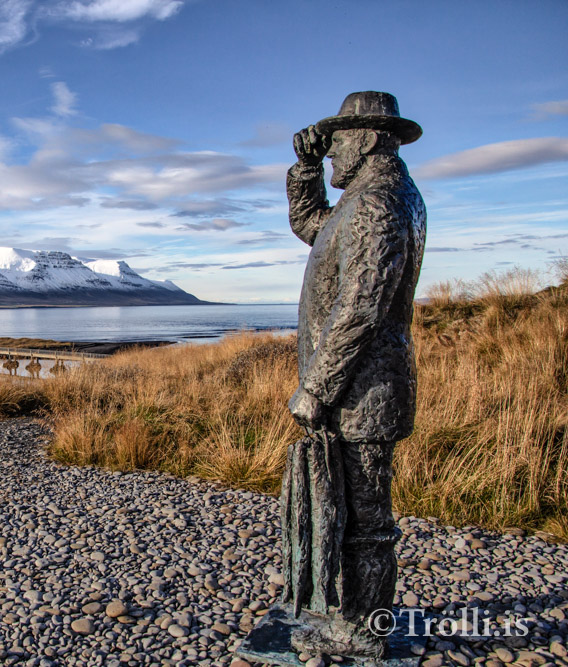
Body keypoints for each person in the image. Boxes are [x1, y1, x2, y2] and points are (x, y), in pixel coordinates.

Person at [283, 91, 426, 657]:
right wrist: (306, 169)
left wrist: (316, 386)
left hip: (361, 391)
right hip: (360, 387)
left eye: (338, 140)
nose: (334, 150)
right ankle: (356, 615)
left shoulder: (377, 202)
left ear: (366, 138)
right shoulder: (372, 197)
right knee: (358, 508)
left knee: (367, 518)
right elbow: (310, 226)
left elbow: (361, 306)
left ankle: (365, 630)